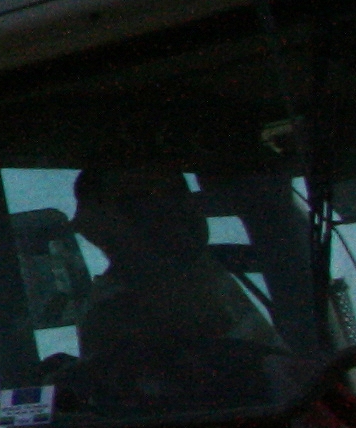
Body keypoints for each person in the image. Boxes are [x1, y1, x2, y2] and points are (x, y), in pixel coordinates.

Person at [66, 163, 285, 407]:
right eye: (138, 202)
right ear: (101, 225)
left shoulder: (221, 268)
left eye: (175, 193)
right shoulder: (118, 316)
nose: (170, 209)